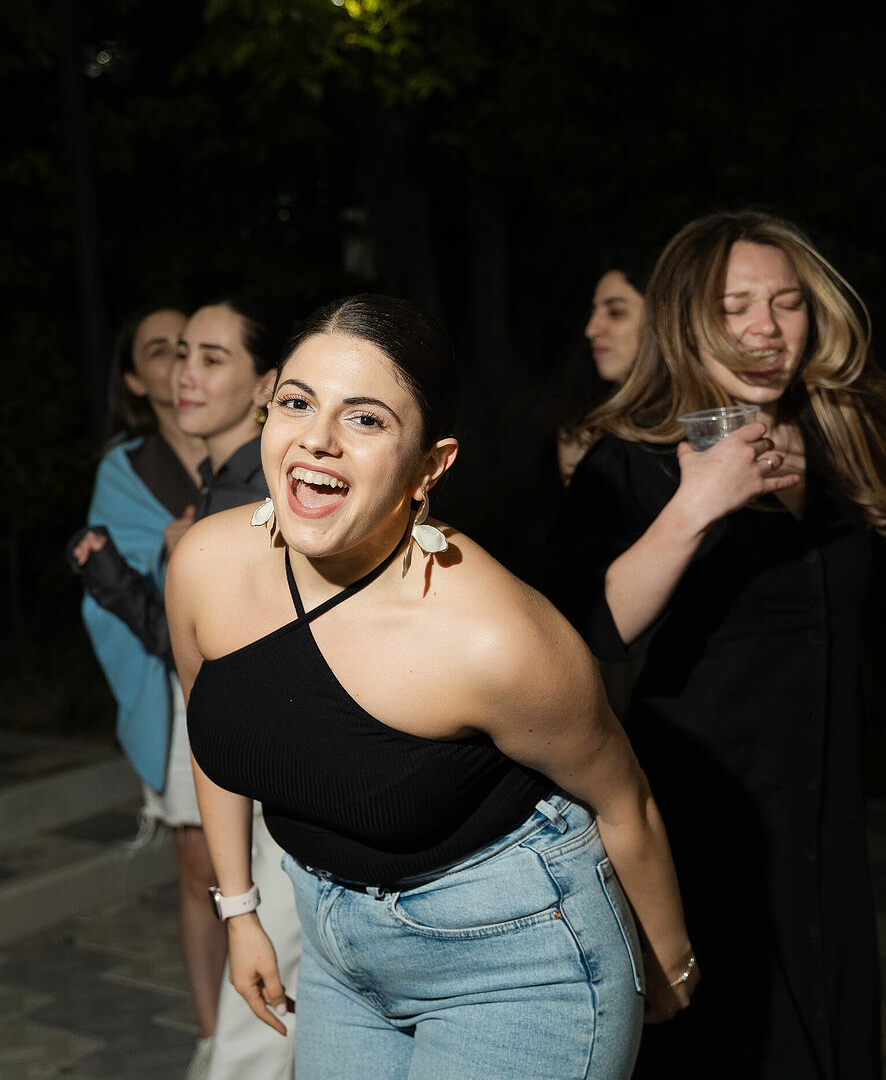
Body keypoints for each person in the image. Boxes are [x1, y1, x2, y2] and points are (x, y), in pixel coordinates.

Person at [166, 293, 698, 1080]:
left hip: (519, 957)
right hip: (336, 948)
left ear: (431, 466)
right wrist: (240, 911)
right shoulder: (203, 567)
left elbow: (626, 802)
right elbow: (213, 732)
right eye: (298, 402)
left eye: (366, 418)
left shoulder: (495, 636)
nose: (317, 438)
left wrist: (671, 963)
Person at [545, 210, 886, 1078]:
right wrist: (694, 507)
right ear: (687, 318)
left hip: (831, 829)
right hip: (706, 836)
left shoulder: (844, 434)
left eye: (787, 303)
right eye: (736, 306)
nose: (766, 328)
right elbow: (583, 634)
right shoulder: (632, 460)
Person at [72, 297, 301, 1080]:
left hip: (285, 769)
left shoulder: (255, 494)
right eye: (176, 355)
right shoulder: (222, 484)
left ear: (265, 383)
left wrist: (140, 572)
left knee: (265, 1013)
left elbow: (207, 650)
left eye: (209, 356)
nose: (184, 374)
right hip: (254, 750)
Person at [68, 303, 221, 1076]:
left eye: (192, 347)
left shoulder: (251, 449)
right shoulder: (125, 471)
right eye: (161, 350)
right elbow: (110, 597)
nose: (180, 364)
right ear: (134, 379)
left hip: (257, 678)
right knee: (201, 870)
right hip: (175, 688)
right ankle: (212, 1035)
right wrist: (172, 558)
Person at [556, 255, 651, 486]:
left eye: (616, 312)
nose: (591, 330)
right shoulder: (581, 424)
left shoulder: (705, 414)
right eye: (593, 312)